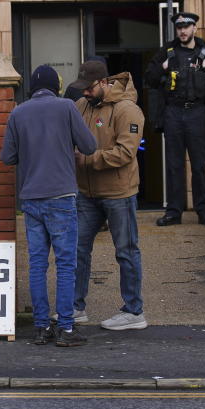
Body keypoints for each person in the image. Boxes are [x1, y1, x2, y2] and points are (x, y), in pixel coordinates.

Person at [0, 65, 97, 347]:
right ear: (56, 86)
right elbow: (89, 146)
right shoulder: (67, 107)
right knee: (66, 265)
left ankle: (41, 327)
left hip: (31, 199)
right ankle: (66, 329)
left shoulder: (18, 113)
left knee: (37, 264)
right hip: (62, 197)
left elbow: (7, 156)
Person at [72, 60, 148, 331]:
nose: (85, 93)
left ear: (104, 82)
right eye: (82, 88)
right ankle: (75, 307)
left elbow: (127, 153)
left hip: (119, 193)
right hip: (86, 194)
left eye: (89, 88)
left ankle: (134, 311)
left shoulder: (127, 109)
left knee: (126, 251)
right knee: (77, 249)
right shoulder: (81, 105)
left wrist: (87, 160)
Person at [145, 12, 205, 227]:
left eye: (187, 26)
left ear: (194, 28)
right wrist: (162, 67)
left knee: (199, 165)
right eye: (179, 27)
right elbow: (149, 79)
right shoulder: (168, 51)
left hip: (197, 113)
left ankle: (204, 211)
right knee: (174, 165)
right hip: (173, 112)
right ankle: (174, 212)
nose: (183, 30)